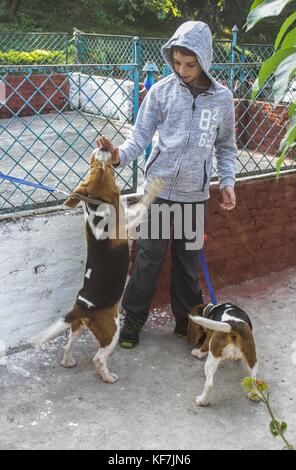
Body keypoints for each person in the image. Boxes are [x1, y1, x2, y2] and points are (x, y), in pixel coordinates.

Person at [97, 20, 237, 348]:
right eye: (176, 62)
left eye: (190, 64)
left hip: (193, 195)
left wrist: (227, 181)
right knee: (148, 257)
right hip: (158, 192)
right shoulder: (161, 91)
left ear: (204, 60)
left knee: (188, 260)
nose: (183, 70)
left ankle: (188, 321)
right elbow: (140, 136)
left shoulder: (222, 98)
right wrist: (118, 156)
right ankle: (132, 318)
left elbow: (226, 147)